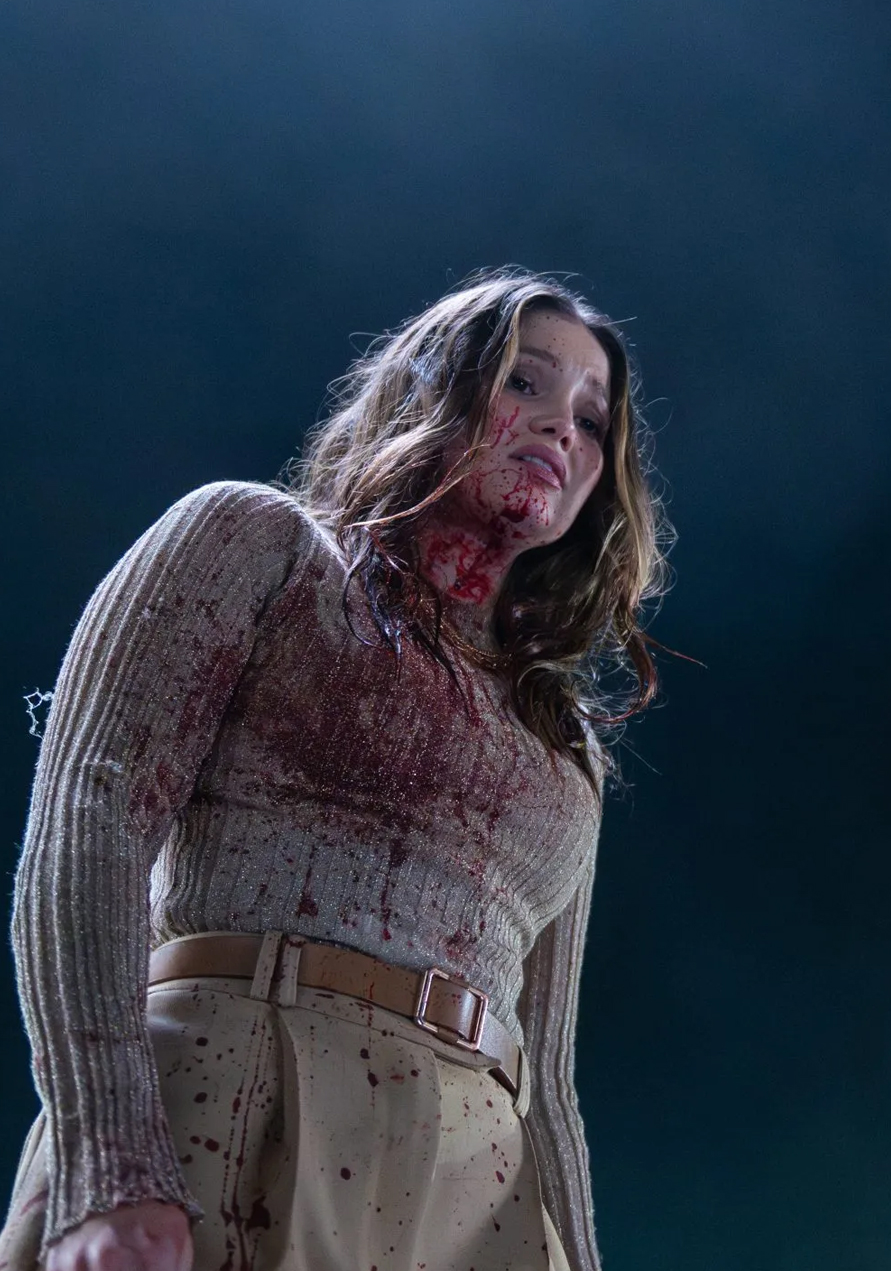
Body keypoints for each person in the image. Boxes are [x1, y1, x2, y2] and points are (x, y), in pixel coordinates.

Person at [1, 270, 667, 1271]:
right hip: (232, 1094)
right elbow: (87, 826)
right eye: (524, 382)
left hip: (476, 1181)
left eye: (592, 418)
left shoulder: (562, 744)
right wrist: (109, 1165)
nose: (560, 427)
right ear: (431, 389)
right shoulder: (258, 545)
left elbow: (551, 1072)